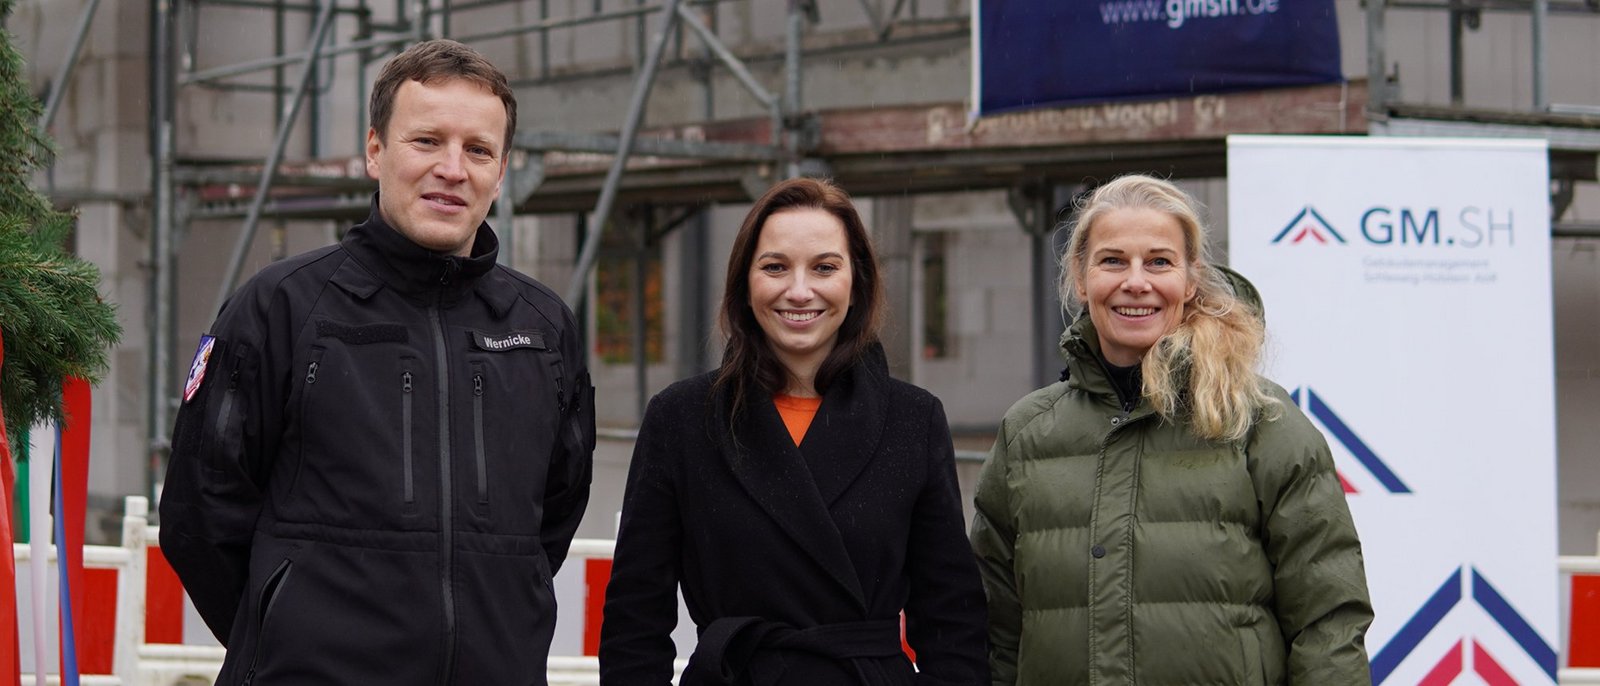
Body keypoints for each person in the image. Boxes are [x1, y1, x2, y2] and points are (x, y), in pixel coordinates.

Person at [159, 39, 595, 685]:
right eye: (426, 141)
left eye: (477, 150)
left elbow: (555, 513)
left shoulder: (542, 324)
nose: (452, 168)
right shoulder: (283, 304)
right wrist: (285, 633)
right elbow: (201, 513)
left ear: (501, 171)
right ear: (374, 151)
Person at [970, 174, 1373, 685]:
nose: (1136, 282)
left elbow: (1328, 620)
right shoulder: (1027, 434)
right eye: (1113, 260)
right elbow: (997, 631)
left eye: (1158, 261)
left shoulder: (1258, 420)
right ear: (1080, 276)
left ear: (1190, 277)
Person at [598, 178, 988, 685]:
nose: (799, 290)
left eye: (825, 267)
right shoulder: (682, 417)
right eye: (775, 267)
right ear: (745, 282)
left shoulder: (913, 420)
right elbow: (635, 619)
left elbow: (952, 621)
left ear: (857, 282)